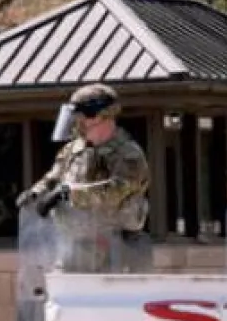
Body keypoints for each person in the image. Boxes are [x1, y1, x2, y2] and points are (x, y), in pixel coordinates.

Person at [17, 83, 151, 272]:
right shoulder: (74, 149)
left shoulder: (127, 154)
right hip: (74, 247)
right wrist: (36, 192)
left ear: (99, 116)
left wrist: (69, 193)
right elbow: (54, 177)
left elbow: (117, 191)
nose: (76, 124)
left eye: (80, 118)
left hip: (115, 249)